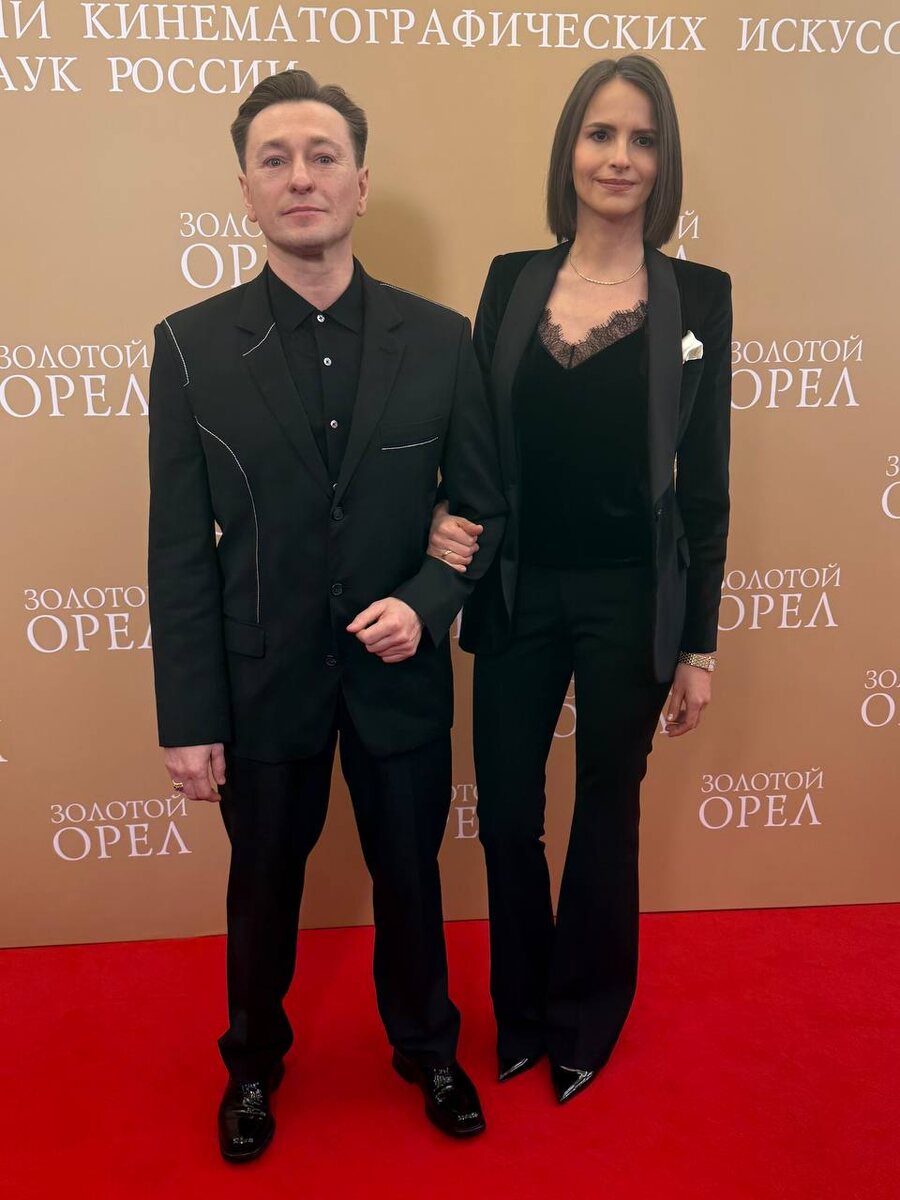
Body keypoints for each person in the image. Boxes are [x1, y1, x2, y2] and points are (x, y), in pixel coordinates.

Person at [147, 69, 505, 1160]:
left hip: (400, 676)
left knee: (412, 879)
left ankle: (428, 1049)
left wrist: (429, 602)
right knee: (261, 891)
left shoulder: (440, 339)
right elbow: (179, 550)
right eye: (275, 159)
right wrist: (188, 718)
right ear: (246, 190)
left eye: (321, 157)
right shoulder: (189, 345)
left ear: (360, 183)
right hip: (260, 679)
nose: (300, 177)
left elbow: (481, 506)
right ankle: (252, 1065)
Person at [428, 55, 732, 1104]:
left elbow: (705, 486)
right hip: (516, 591)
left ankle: (584, 1019)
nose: (619, 157)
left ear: (664, 161)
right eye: (601, 134)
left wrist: (698, 644)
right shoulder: (512, 280)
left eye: (643, 139)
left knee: (609, 812)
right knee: (508, 812)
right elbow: (471, 440)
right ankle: (519, 1012)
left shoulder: (700, 297)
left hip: (630, 601)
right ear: (570, 150)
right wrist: (442, 521)